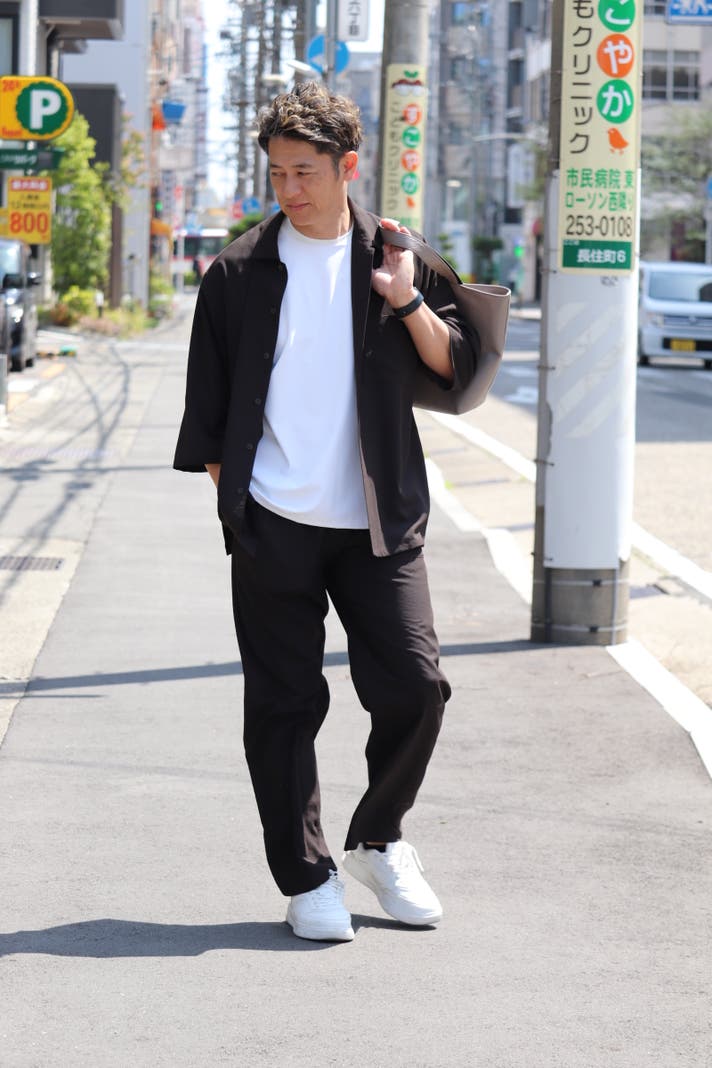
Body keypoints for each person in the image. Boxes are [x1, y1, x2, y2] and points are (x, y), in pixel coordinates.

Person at [174, 82, 479, 942]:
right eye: (276, 172)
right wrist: (242, 511)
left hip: (379, 521)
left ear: (347, 166)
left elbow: (457, 368)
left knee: (416, 686)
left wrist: (406, 300)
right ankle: (307, 879)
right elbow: (209, 417)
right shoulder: (236, 273)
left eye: (303, 171)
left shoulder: (398, 255)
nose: (289, 188)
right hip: (274, 522)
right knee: (283, 705)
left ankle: (378, 839)